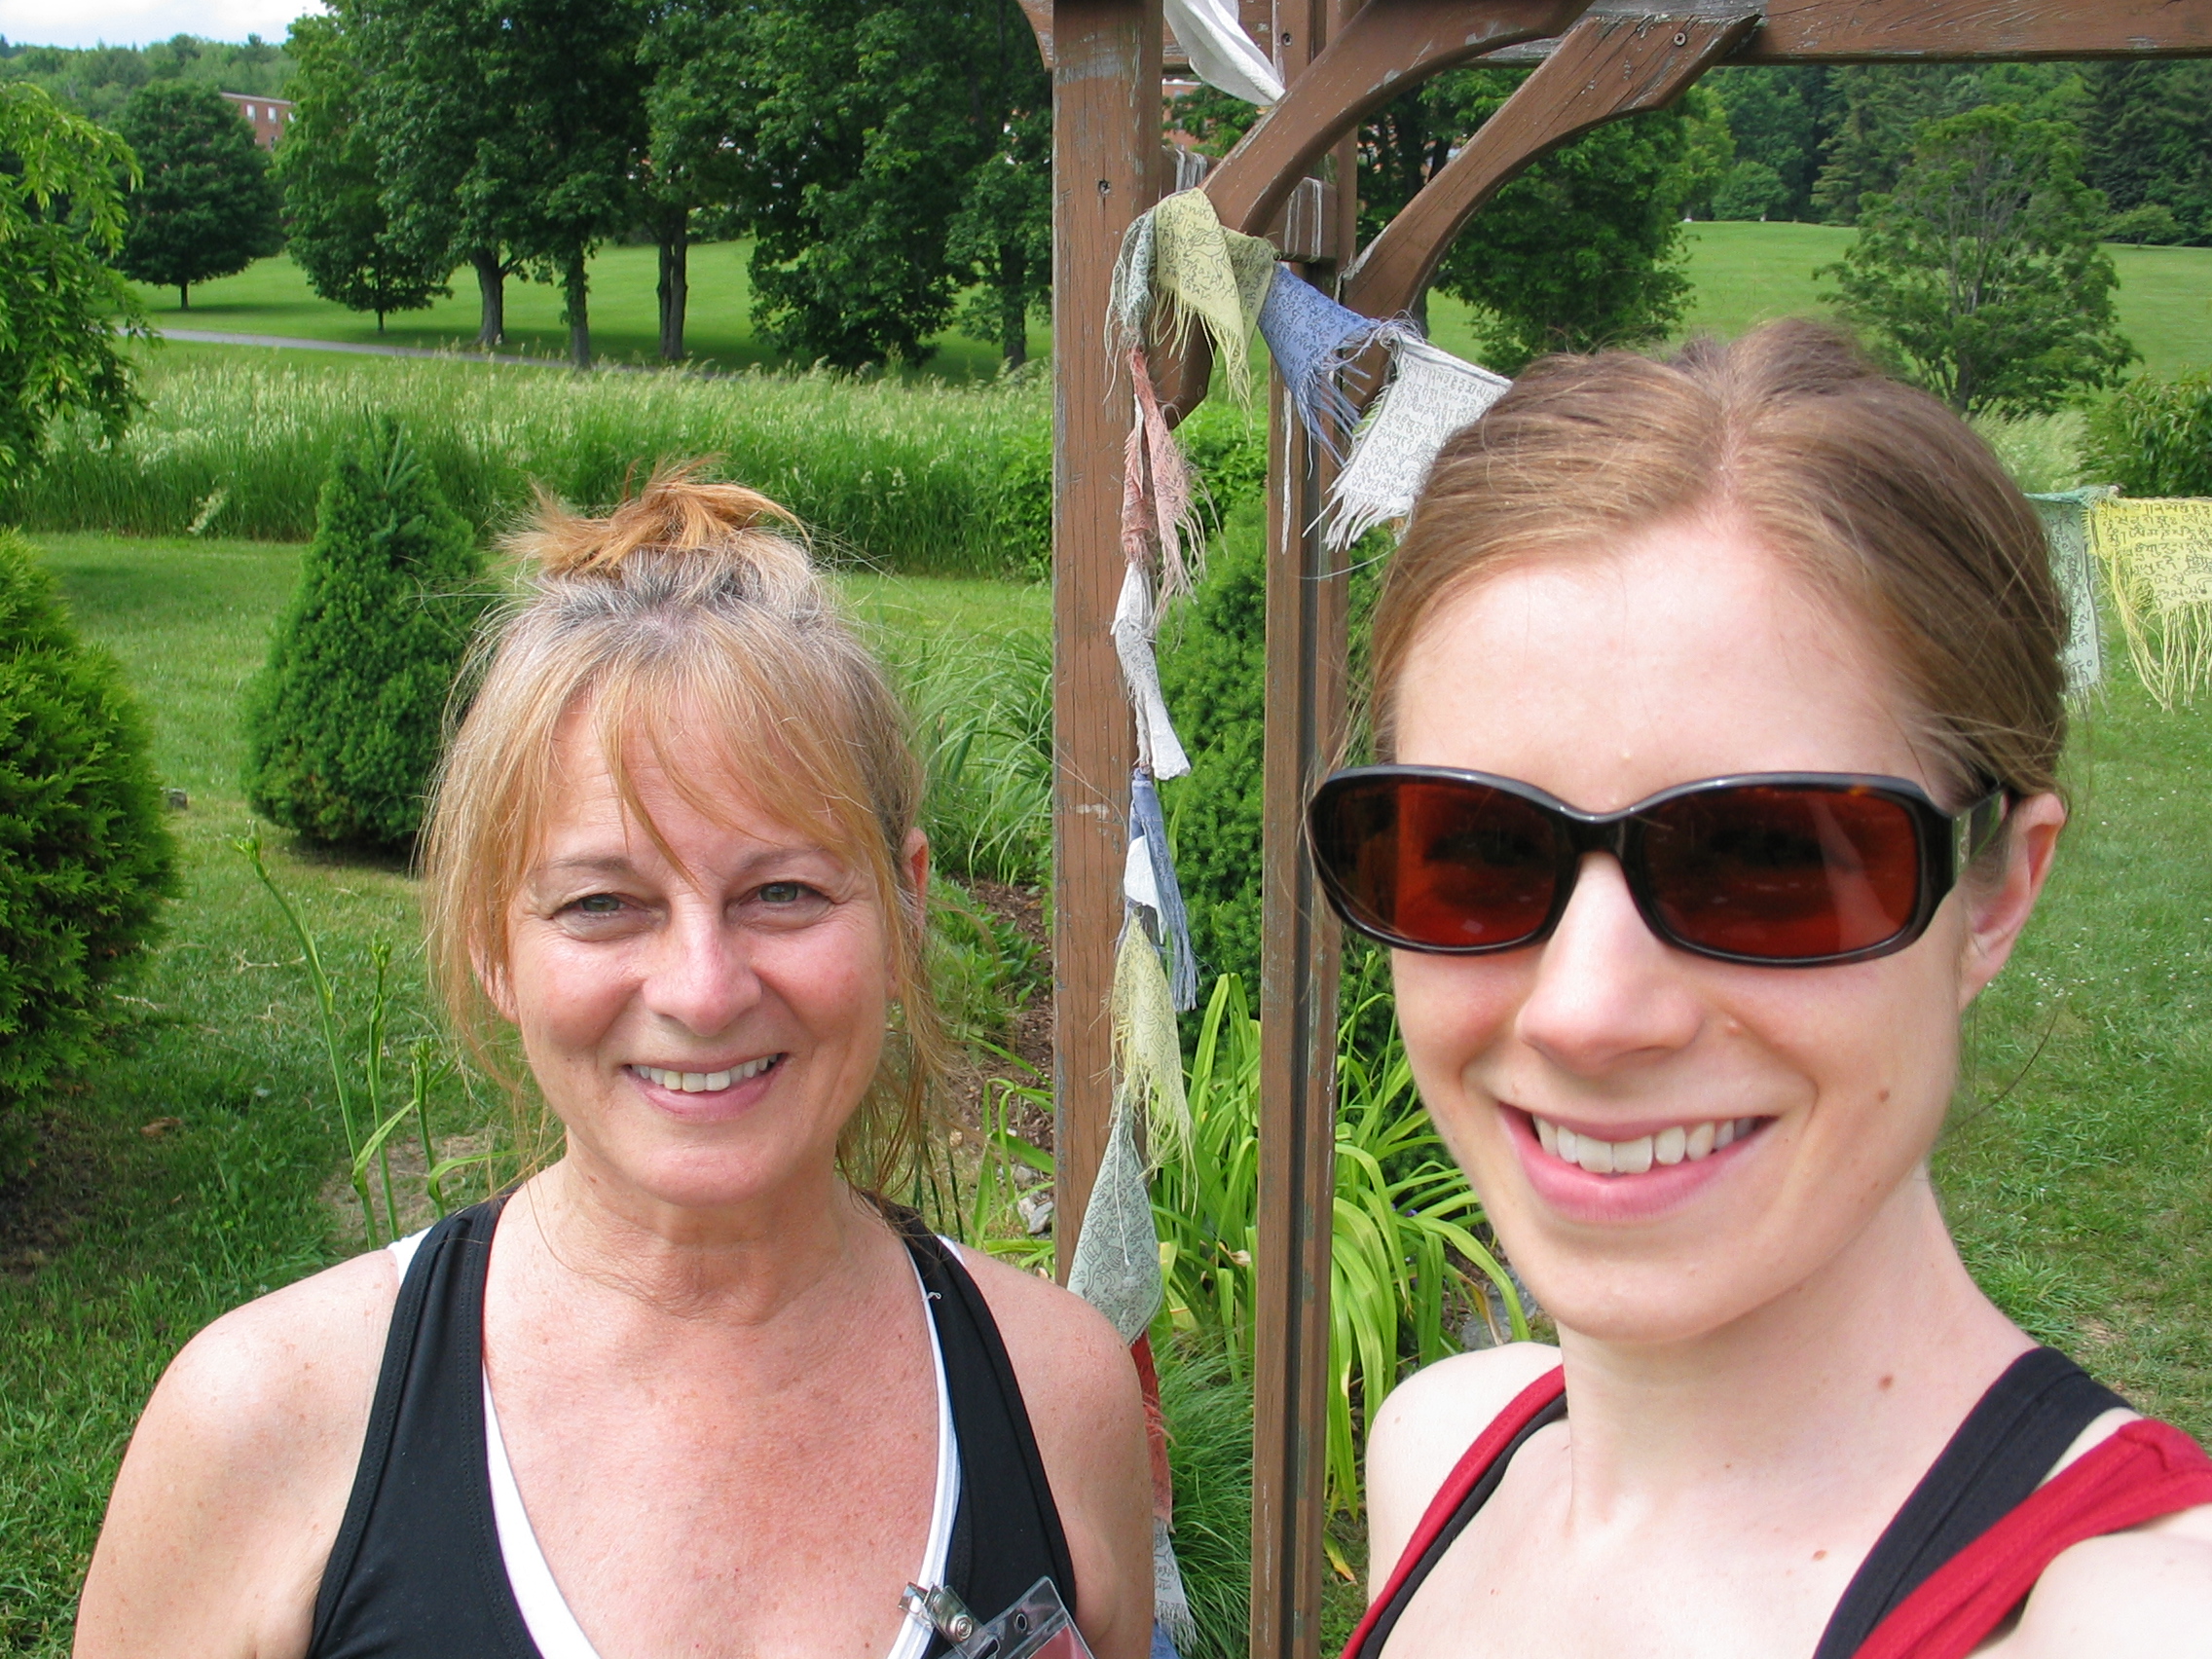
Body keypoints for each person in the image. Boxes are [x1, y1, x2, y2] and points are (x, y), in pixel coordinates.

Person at [76, 471, 1155, 1659]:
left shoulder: (1059, 1397)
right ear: (494, 941)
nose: (702, 989)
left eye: (782, 892)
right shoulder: (264, 1428)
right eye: (602, 903)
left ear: (905, 908)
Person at [1304, 321, 2212, 1658]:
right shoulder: (1446, 1452)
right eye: (1480, 852)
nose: (1587, 1012)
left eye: (1764, 860)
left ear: (1997, 892)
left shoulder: (2126, 1619)